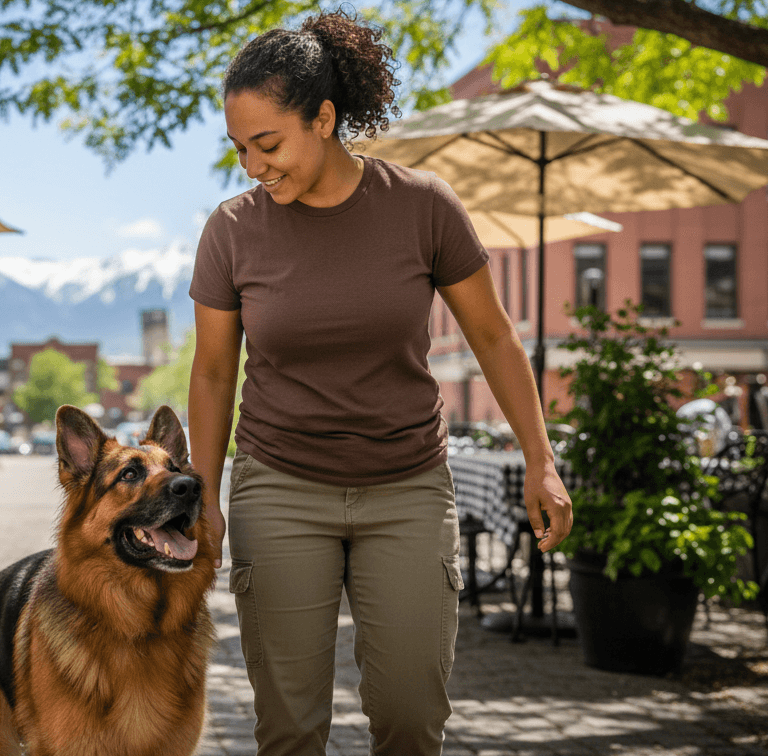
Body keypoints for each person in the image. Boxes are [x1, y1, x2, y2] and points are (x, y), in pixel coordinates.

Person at [187, 11, 574, 756]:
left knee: (410, 716)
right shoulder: (232, 230)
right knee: (290, 727)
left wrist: (540, 456)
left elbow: (492, 335)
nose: (252, 166)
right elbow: (211, 371)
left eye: (268, 144)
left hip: (408, 487)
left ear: (325, 118)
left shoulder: (423, 206)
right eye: (239, 148)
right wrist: (205, 493)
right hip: (279, 485)